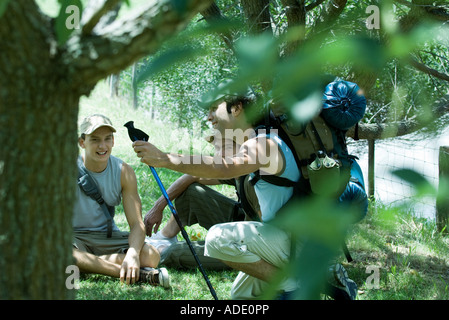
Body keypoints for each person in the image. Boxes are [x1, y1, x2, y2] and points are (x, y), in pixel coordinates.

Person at [132, 83, 301, 298]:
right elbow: (210, 171)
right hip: (277, 239)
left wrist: (164, 159)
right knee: (240, 295)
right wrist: (160, 203)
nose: (209, 117)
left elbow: (223, 167)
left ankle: (294, 282)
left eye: (214, 108)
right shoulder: (256, 141)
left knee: (218, 238)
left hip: (293, 242)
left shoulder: (265, 144)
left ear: (237, 108)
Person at [73, 114, 170, 287]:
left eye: (107, 139)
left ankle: (86, 265)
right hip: (74, 237)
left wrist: (132, 253)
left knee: (151, 256)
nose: (102, 146)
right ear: (82, 143)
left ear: (113, 141)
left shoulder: (124, 171)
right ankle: (132, 274)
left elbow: (136, 224)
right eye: (95, 139)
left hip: (107, 237)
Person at [145, 134, 260, 270]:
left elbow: (258, 238)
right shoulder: (235, 170)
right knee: (191, 191)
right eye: (217, 148)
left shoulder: (255, 181)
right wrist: (159, 205)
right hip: (241, 224)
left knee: (174, 252)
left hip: (253, 242)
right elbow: (195, 175)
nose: (219, 154)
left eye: (226, 147)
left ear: (245, 147)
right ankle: (164, 237)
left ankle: (160, 252)